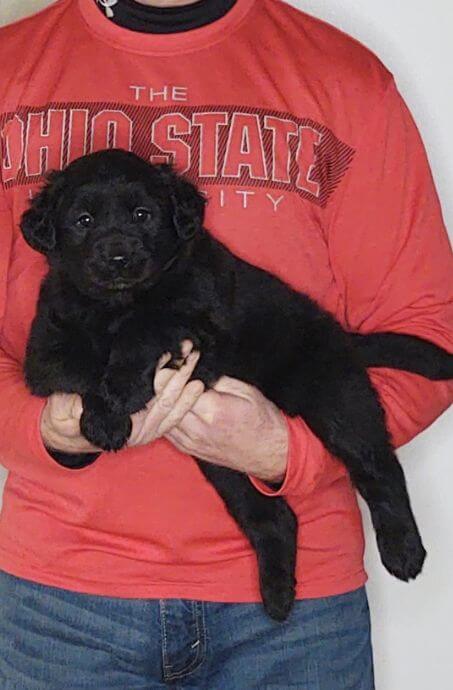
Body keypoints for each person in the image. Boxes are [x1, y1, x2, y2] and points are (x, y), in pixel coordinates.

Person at [0, 0, 451, 687]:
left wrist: (290, 452)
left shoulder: (341, 75)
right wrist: (52, 429)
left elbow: (427, 329)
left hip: (300, 618)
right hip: (62, 601)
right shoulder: (10, 68)